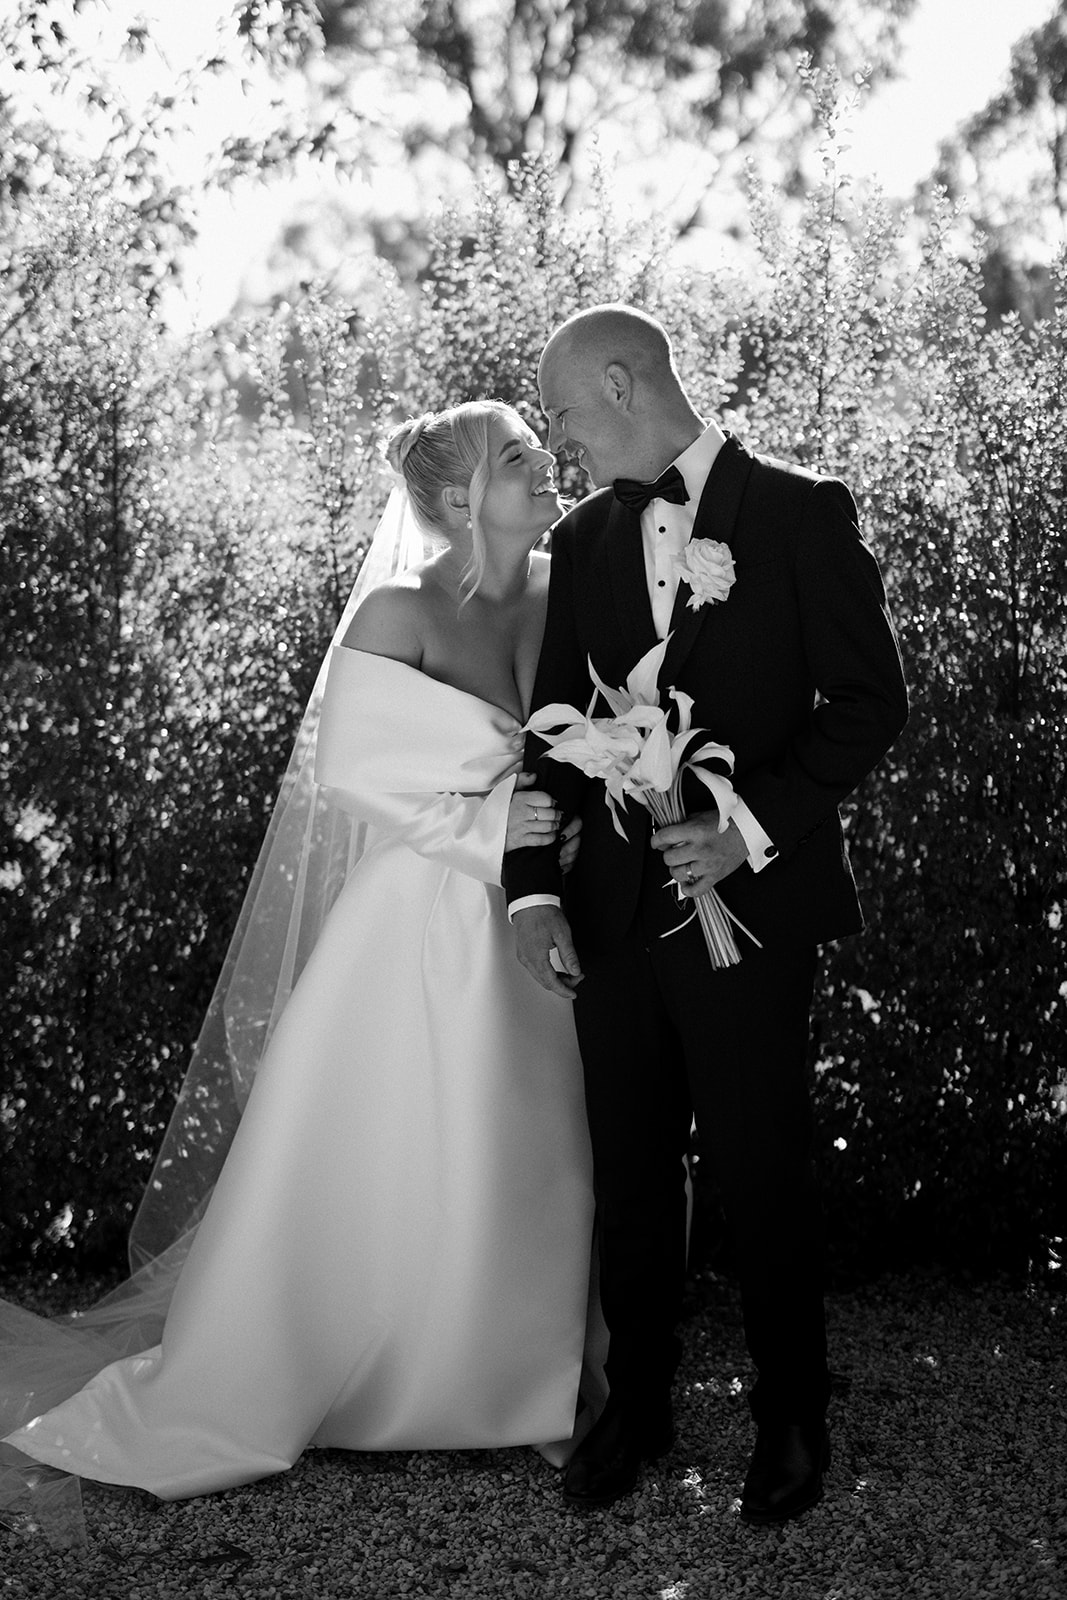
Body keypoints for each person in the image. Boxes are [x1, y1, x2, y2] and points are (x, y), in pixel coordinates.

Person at [0, 400, 604, 1539]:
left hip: (549, 912)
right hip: (423, 917)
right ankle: (380, 1370)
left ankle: (521, 1373)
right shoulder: (396, 611)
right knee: (416, 1136)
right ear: (462, 497)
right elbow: (357, 773)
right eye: (518, 456)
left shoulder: (565, 588)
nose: (544, 465)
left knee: (533, 1137)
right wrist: (500, 831)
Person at [505, 305, 909, 1523]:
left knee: (759, 1162)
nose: (561, 439)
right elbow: (550, 735)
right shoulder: (580, 539)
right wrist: (531, 888)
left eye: (564, 411)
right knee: (628, 1169)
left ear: (620, 383)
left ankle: (791, 1413)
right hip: (612, 912)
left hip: (753, 906)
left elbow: (868, 701)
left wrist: (748, 825)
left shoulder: (796, 511)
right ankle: (636, 1404)